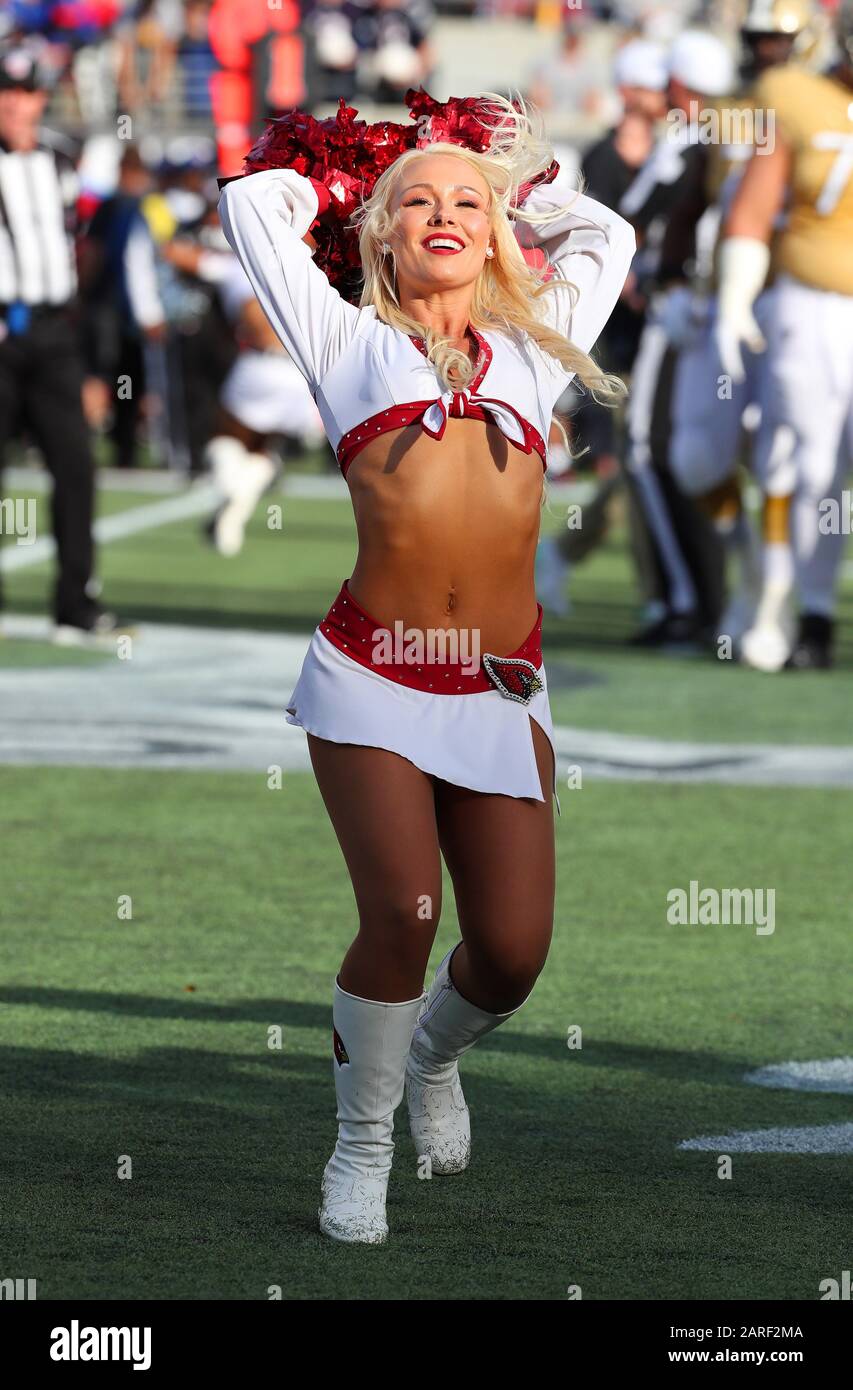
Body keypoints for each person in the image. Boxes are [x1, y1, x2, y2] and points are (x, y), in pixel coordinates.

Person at [219, 91, 634, 1245]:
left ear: (497, 232)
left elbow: (611, 237)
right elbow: (257, 200)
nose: (444, 213)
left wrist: (515, 184)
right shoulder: (343, 340)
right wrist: (354, 170)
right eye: (418, 204)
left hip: (499, 685)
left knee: (511, 951)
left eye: (467, 203)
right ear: (380, 237)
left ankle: (436, 1056)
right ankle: (360, 1145)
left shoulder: (531, 352)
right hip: (374, 677)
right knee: (402, 913)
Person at [717, 0, 853, 671]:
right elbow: (752, 205)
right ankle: (802, 606)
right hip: (814, 304)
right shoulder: (797, 97)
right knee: (806, 462)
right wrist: (733, 299)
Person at [0, 43, 125, 642]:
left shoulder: (58, 163)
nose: (15, 103)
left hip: (51, 335)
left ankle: (75, 600)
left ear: (41, 98)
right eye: (6, 91)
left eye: (25, 92)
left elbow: (85, 258)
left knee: (76, 466)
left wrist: (95, 364)